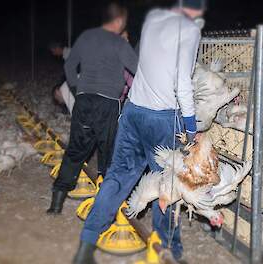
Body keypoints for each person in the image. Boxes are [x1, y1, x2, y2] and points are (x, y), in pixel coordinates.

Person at [73, 0, 206, 262]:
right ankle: (168, 250)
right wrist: (191, 129)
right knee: (166, 185)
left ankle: (86, 244)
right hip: (162, 118)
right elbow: (183, 82)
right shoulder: (190, 31)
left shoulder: (153, 18)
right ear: (199, 10)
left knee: (117, 177)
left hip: (133, 112)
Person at [47, 1, 138, 216]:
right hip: (107, 103)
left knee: (76, 150)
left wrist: (77, 88)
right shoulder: (119, 43)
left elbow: (69, 65)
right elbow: (137, 69)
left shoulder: (86, 36)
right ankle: (107, 206)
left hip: (84, 100)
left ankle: (56, 202)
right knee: (109, 153)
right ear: (119, 20)